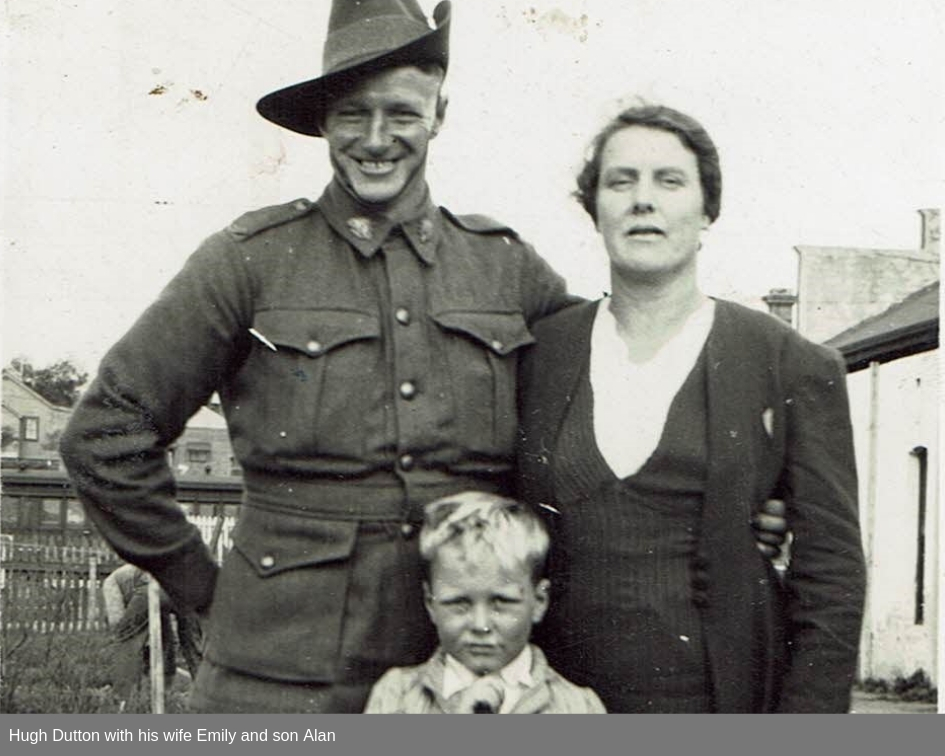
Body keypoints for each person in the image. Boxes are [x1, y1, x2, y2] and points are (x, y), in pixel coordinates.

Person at [59, 0, 576, 713]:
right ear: (323, 121)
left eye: (401, 113)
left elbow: (598, 425)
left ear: (439, 113)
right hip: (274, 676)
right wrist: (203, 587)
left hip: (457, 671)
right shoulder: (249, 262)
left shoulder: (507, 270)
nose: (375, 139)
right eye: (351, 114)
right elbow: (104, 435)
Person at [517, 104, 866, 713]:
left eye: (669, 181)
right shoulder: (541, 353)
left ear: (708, 210)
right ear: (594, 208)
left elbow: (831, 578)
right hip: (552, 704)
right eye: (620, 181)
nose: (642, 200)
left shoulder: (787, 362)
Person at [364, 491, 605, 713]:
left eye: (501, 602)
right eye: (459, 603)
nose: (481, 625)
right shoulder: (396, 696)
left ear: (539, 601)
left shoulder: (578, 707)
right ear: (430, 603)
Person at [101, 564, 178, 709]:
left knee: (125, 639)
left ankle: (122, 698)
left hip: (151, 584)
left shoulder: (110, 583)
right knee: (165, 640)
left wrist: (124, 632)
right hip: (173, 584)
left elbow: (117, 622)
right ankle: (165, 693)